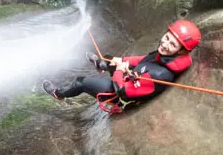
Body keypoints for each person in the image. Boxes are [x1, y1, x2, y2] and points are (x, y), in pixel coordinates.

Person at [42, 19, 201, 112]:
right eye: (166, 37)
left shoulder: (160, 75)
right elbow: (142, 60)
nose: (165, 44)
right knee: (112, 59)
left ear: (180, 52)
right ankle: (101, 64)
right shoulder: (166, 56)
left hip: (119, 97)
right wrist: (121, 60)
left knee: (81, 82)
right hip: (132, 78)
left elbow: (123, 91)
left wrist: (119, 69)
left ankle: (59, 94)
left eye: (172, 44)